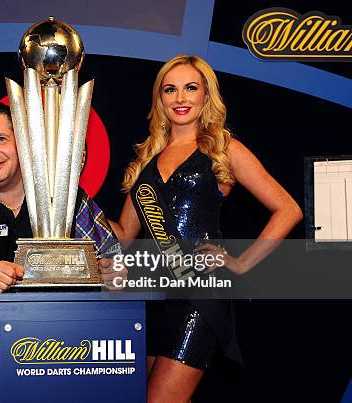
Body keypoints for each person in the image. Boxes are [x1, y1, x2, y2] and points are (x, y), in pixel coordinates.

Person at [108, 54, 303, 402]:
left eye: (190, 88)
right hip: (152, 297)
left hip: (199, 295)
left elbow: (288, 209)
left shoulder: (221, 149)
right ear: (160, 98)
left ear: (205, 95)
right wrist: (78, 204)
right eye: (171, 89)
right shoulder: (146, 160)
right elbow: (123, 234)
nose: (180, 98)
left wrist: (240, 263)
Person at [0, 101, 122, 403]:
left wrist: (111, 272)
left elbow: (111, 258)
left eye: (1, 139)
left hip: (61, 353)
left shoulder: (63, 191)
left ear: (22, 144)